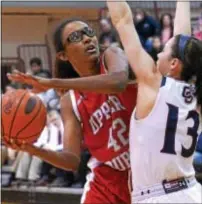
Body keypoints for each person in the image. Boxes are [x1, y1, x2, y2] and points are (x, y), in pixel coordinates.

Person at [6, 18, 137, 203]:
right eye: (76, 36)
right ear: (63, 55)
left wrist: (52, 82)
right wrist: (31, 149)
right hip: (106, 179)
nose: (87, 39)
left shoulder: (111, 56)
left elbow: (118, 83)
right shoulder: (70, 100)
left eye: (89, 32)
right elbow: (71, 160)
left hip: (146, 172)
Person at [107, 0, 202, 203]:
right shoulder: (197, 95)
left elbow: (123, 20)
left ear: (174, 63)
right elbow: (182, 39)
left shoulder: (152, 82)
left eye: (164, 49)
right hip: (192, 192)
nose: (158, 53)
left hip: (158, 196)